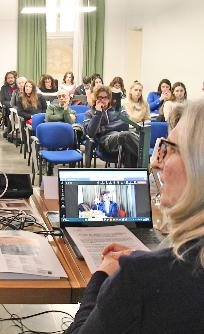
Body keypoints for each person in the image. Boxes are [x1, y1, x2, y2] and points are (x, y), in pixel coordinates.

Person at [64, 100, 204, 333]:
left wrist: (102, 274)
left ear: (196, 165)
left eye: (168, 149)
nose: (157, 164)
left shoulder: (138, 278)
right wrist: (154, 258)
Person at [84, 85, 140, 167]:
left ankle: (132, 177)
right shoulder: (90, 113)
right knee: (126, 136)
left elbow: (125, 124)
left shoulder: (118, 110)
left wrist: (102, 128)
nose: (102, 100)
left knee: (129, 145)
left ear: (109, 98)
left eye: (105, 97)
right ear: (96, 98)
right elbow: (91, 133)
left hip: (122, 138)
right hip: (105, 142)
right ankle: (148, 161)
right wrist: (98, 113)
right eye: (100, 97)